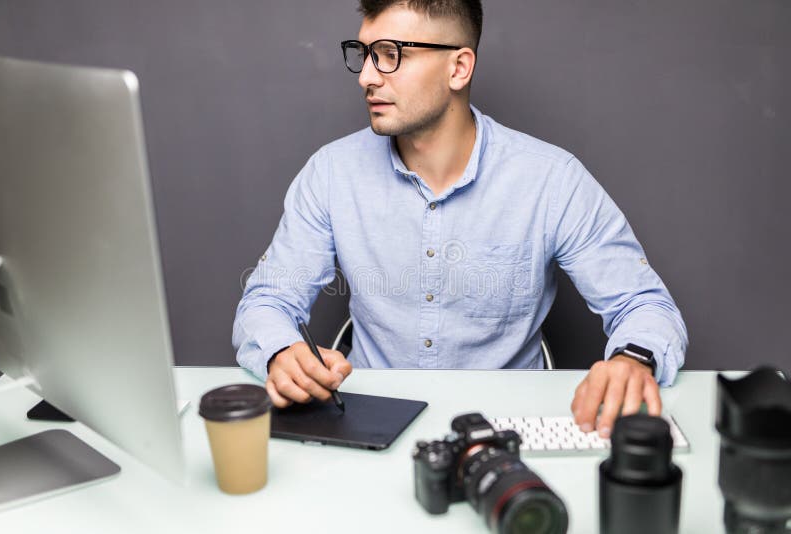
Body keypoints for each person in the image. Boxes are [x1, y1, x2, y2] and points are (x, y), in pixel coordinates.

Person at [233, 0, 688, 438]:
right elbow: (268, 301)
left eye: (390, 55)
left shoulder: (552, 179)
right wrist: (281, 351)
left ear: (459, 68)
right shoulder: (331, 173)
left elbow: (643, 305)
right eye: (364, 54)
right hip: (367, 420)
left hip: (508, 429)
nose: (367, 76)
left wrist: (633, 360)